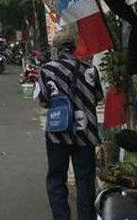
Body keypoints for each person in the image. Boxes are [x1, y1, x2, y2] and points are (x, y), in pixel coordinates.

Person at [37, 29, 103, 220]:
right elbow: (98, 97)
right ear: (74, 47)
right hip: (86, 133)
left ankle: (61, 217)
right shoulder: (90, 69)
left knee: (57, 178)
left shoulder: (47, 69)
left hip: (58, 132)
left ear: (56, 49)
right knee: (85, 180)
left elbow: (43, 100)